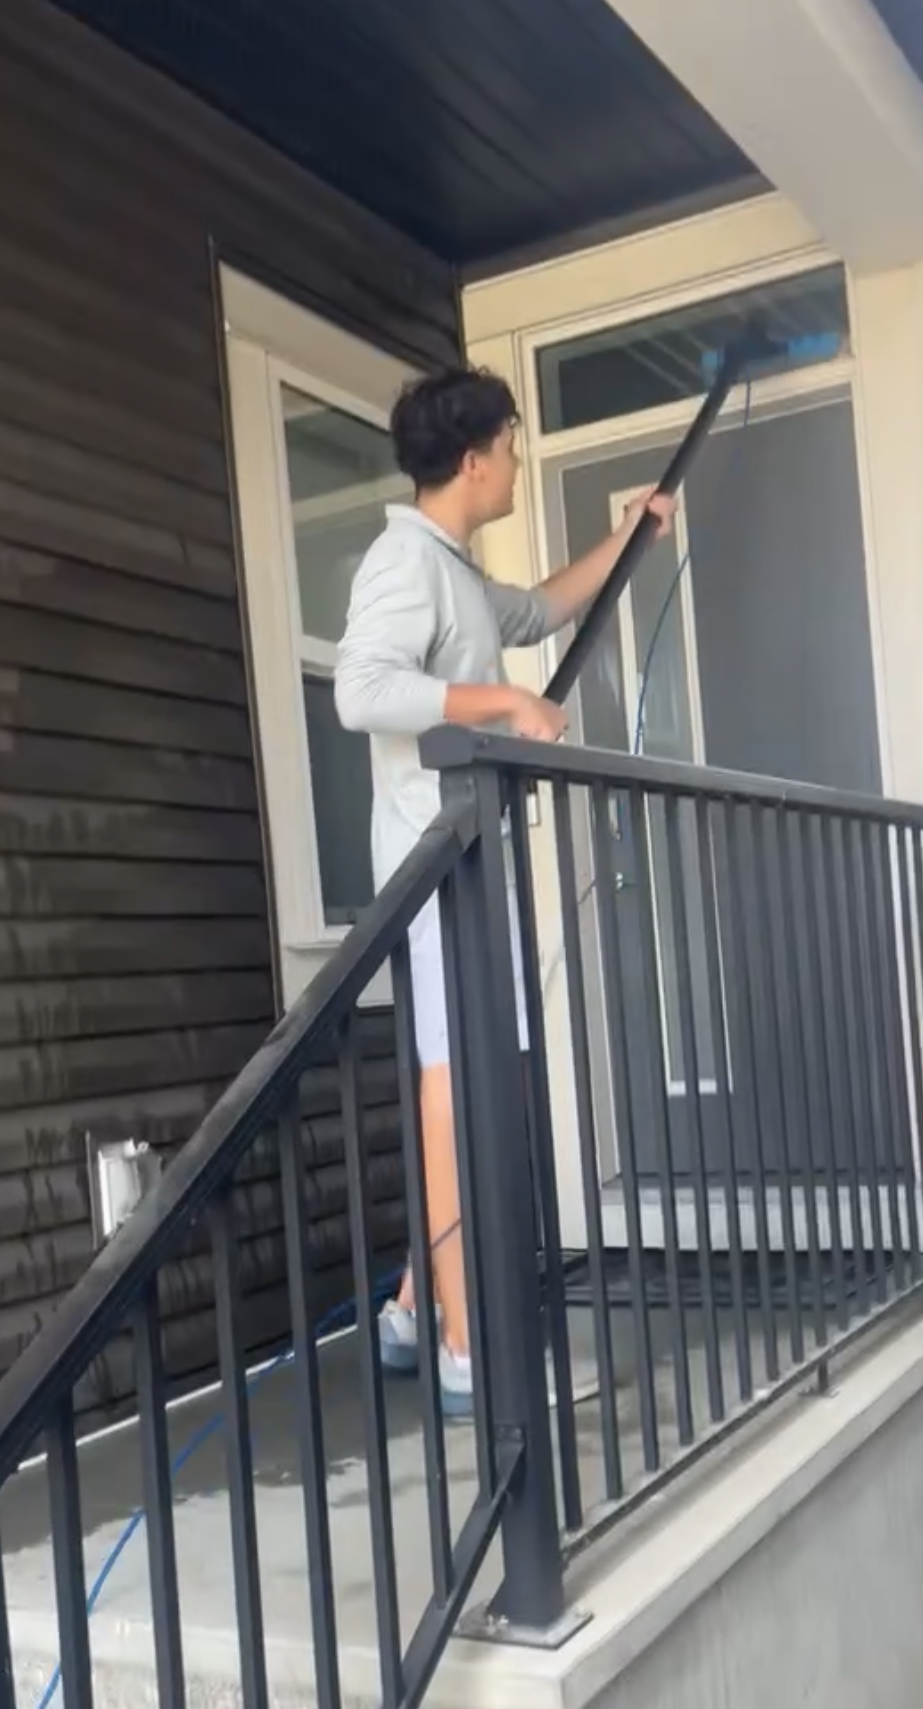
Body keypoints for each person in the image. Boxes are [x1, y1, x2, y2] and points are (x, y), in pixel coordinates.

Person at [334, 365, 674, 1416]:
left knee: (489, 1082)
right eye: (515, 446)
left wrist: (633, 538)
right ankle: (466, 1343)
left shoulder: (457, 573)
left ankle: (407, 1303)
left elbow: (538, 608)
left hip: (473, 861)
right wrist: (504, 703)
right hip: (434, 866)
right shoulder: (404, 563)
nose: (520, 461)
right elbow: (362, 690)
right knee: (459, 1090)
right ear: (474, 457)